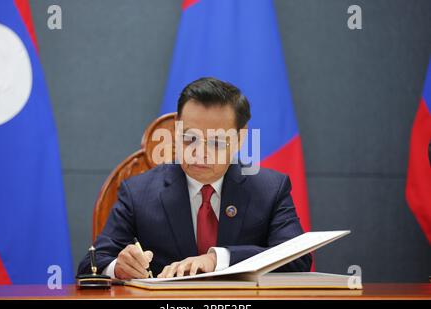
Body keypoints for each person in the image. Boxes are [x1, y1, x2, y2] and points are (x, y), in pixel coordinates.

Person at [77, 77, 312, 279]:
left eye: (217, 142)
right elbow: (91, 264)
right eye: (190, 138)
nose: (200, 152)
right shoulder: (138, 192)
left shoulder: (270, 189)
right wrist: (119, 267)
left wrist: (219, 259)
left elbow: (298, 260)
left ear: (240, 139)